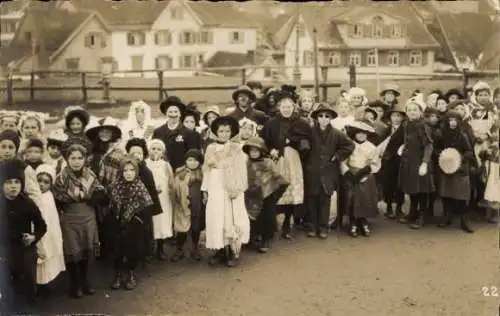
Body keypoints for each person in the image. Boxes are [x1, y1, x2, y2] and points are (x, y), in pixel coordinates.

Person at [53, 143, 105, 298]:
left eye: (79, 158)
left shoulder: (91, 176)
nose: (76, 161)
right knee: (72, 252)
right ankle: (75, 283)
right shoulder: (61, 178)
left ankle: (84, 281)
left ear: (84, 159)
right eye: (72, 158)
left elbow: (100, 193)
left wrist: (94, 198)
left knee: (85, 251)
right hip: (69, 219)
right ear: (67, 159)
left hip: (88, 217)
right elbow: (58, 198)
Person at [260, 90, 312, 239]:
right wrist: (271, 150)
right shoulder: (271, 123)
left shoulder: (301, 123)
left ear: (294, 107)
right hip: (276, 161)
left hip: (294, 161)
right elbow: (263, 142)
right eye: (284, 107)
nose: (287, 110)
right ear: (279, 108)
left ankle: (287, 224)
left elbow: (308, 142)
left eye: (289, 107)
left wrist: (295, 143)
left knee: (291, 190)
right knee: (275, 190)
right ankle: (273, 222)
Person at [202, 116, 249, 267]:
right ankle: (219, 249)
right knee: (217, 216)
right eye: (221, 131)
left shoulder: (236, 148)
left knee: (230, 217)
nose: (224, 134)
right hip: (215, 185)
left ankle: (231, 250)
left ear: (231, 132)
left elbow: (241, 170)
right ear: (216, 132)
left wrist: (237, 189)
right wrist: (205, 189)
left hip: (231, 186)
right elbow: (207, 170)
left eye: (227, 131)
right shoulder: (210, 148)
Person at [305, 103, 354, 238]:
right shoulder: (310, 132)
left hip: (328, 172)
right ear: (316, 118)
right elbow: (302, 143)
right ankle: (313, 226)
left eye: (327, 116)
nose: (324, 119)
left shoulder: (336, 133)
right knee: (312, 199)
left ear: (331, 118)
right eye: (320, 116)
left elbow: (349, 145)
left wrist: (337, 156)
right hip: (312, 171)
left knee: (325, 200)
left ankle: (323, 227)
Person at [2, 159, 47, 305]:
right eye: (8, 182)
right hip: (4, 246)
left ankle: (29, 301)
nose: (13, 186)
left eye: (17, 182)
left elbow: (42, 225)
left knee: (28, 275)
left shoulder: (27, 203)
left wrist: (34, 237)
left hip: (24, 246)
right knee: (6, 279)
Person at [109, 156, 154, 291]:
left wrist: (134, 222)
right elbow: (110, 207)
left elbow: (146, 211)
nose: (129, 173)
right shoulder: (114, 186)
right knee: (117, 250)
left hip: (135, 226)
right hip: (116, 224)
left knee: (133, 250)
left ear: (136, 171)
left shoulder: (140, 188)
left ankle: (131, 274)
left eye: (132, 170)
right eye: (125, 170)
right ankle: (117, 274)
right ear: (121, 171)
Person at [85, 116, 124, 259]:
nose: (105, 135)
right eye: (102, 132)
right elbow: (87, 171)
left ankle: (111, 250)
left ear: (113, 134)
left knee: (111, 222)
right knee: (97, 221)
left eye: (108, 132)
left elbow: (121, 171)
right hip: (96, 192)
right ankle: (100, 249)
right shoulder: (93, 151)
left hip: (112, 192)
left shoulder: (118, 152)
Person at [242, 136, 288, 252]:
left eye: (256, 150)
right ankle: (252, 237)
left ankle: (265, 239)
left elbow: (277, 177)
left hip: (267, 194)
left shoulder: (268, 162)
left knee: (266, 217)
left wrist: (277, 189)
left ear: (262, 150)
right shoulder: (246, 163)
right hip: (251, 195)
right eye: (251, 151)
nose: (253, 153)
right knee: (252, 217)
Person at [434, 110, 474, 233]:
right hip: (446, 168)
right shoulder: (441, 134)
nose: (452, 123)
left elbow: (469, 151)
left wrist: (458, 158)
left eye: (455, 120)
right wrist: (442, 155)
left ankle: (464, 220)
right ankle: (447, 217)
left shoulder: (462, 135)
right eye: (450, 120)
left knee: (462, 196)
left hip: (461, 169)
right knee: (446, 195)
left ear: (459, 121)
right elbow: (436, 149)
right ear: (446, 121)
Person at [398, 99, 435, 229]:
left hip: (420, 162)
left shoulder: (423, 125)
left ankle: (422, 216)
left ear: (420, 111)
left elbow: (429, 146)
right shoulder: (407, 124)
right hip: (409, 162)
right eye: (409, 110)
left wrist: (424, 163)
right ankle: (413, 213)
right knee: (412, 189)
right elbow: (409, 140)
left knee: (422, 190)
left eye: (415, 109)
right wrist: (404, 147)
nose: (412, 112)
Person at [125, 138, 163, 263]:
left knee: (144, 233)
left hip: (144, 209)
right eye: (133, 152)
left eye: (139, 153)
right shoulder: (125, 169)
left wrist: (153, 209)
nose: (136, 155)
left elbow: (152, 192)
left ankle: (144, 254)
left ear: (144, 155)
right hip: (128, 209)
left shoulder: (146, 172)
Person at [343, 120, 381, 237]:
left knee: (365, 198)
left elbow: (375, 163)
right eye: (358, 133)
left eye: (364, 133)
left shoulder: (372, 147)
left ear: (367, 134)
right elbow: (343, 162)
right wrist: (347, 172)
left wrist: (366, 170)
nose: (361, 135)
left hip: (365, 175)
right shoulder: (349, 145)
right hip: (351, 174)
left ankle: (363, 220)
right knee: (352, 198)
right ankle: (353, 221)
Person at [34, 164, 65, 296]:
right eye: (38, 181)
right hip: (38, 232)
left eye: (46, 182)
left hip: (50, 233)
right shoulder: (34, 196)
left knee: (49, 258)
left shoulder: (49, 196)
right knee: (38, 260)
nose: (41, 185)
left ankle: (45, 285)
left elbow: (52, 219)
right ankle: (37, 286)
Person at [171, 149, 206, 261]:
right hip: (183, 205)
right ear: (185, 161)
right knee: (182, 229)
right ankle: (179, 249)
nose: (192, 162)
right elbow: (174, 190)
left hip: (198, 206)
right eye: (189, 160)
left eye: (195, 160)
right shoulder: (180, 173)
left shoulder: (202, 174)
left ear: (200, 162)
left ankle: (195, 248)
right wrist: (176, 202)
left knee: (196, 228)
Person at [152, 96, 202, 172]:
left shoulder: (190, 134)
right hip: (162, 172)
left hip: (182, 173)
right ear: (166, 113)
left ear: (180, 114)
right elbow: (153, 153)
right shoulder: (158, 132)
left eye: (176, 112)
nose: (173, 115)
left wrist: (183, 168)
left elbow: (195, 157)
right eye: (170, 112)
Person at [145, 139, 174, 260]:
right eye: (153, 148)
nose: (156, 151)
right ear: (148, 150)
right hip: (149, 198)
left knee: (162, 222)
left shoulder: (166, 165)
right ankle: (149, 249)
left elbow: (171, 182)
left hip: (163, 198)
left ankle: (160, 249)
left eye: (159, 149)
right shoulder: (145, 163)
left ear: (163, 152)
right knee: (150, 222)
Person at [378, 103, 406, 220]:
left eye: (399, 116)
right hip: (387, 162)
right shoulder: (386, 130)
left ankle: (399, 208)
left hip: (400, 161)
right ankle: (389, 207)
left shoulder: (405, 130)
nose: (396, 118)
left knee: (400, 185)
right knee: (388, 185)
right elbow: (380, 144)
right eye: (394, 116)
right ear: (390, 117)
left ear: (403, 118)